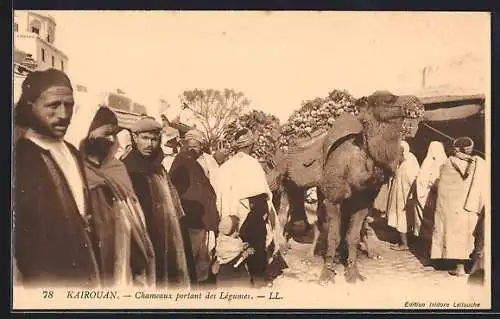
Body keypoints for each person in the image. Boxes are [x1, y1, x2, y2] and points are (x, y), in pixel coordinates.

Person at [14, 68, 100, 287]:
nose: (63, 115)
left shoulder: (71, 152)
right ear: (29, 106)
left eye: (69, 105)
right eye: (53, 105)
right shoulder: (18, 155)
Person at [65, 105, 156, 287]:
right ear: (86, 133)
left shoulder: (117, 169)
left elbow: (134, 216)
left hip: (125, 256)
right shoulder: (71, 171)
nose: (110, 139)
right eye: (106, 133)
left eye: (114, 135)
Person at [121, 117, 190, 288]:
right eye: (145, 138)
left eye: (154, 139)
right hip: (138, 238)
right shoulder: (126, 168)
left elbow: (174, 204)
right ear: (135, 138)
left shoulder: (160, 169)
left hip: (164, 237)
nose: (149, 144)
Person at [214, 129, 287, 288]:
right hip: (249, 216)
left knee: (233, 248)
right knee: (256, 248)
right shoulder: (252, 164)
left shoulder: (226, 165)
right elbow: (260, 194)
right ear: (251, 145)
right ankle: (258, 281)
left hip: (229, 217)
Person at [431, 137, 486, 277]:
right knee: (466, 236)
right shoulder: (478, 163)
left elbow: (443, 184)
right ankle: (467, 265)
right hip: (469, 206)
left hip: (452, 206)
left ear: (457, 148)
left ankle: (459, 267)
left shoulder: (450, 162)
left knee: (453, 236)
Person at [169, 148, 220, 286]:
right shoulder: (194, 169)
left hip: (184, 222)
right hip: (196, 222)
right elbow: (207, 195)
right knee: (197, 258)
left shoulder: (177, 168)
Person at [413, 141, 447, 252]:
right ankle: (427, 246)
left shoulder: (441, 162)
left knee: (431, 221)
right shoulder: (440, 162)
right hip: (430, 196)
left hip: (432, 196)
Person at [386, 140, 420, 251]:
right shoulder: (403, 162)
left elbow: (413, 180)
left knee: (402, 218)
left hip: (405, 196)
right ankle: (401, 241)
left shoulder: (409, 162)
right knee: (400, 217)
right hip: (399, 194)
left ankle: (404, 244)